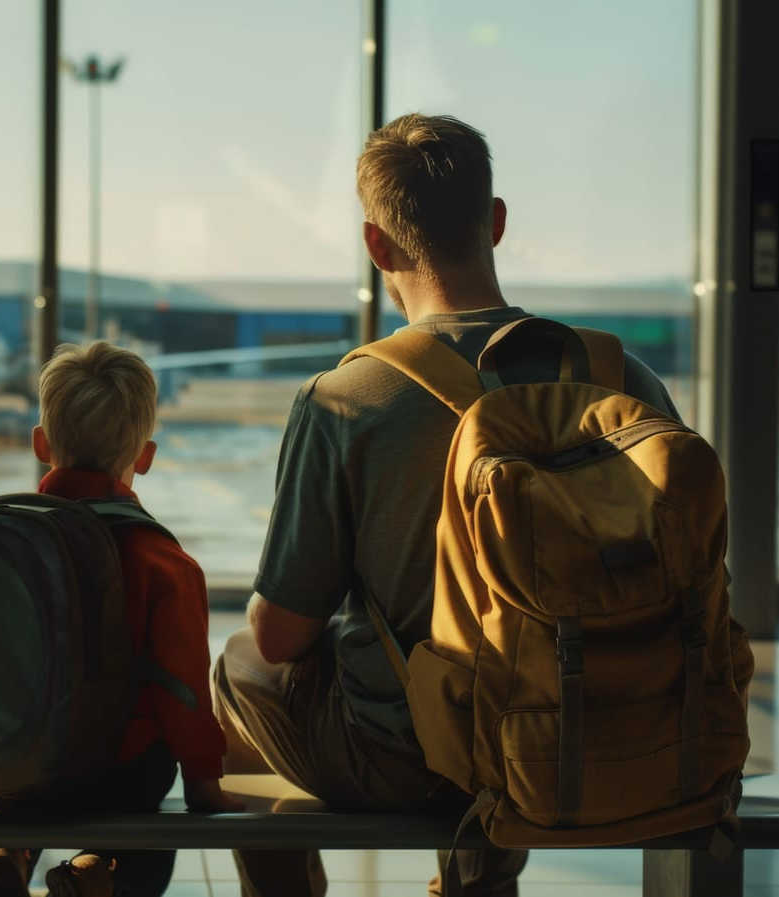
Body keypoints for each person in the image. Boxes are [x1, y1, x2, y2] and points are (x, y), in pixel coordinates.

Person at [212, 113, 683, 897]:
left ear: (377, 246)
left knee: (239, 664)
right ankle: (478, 884)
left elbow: (282, 633)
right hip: (617, 740)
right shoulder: (621, 376)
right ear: (495, 224)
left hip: (412, 764)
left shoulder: (345, 399)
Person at [0, 341, 242, 897]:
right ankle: (97, 872)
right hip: (118, 776)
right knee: (145, 841)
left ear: (41, 444)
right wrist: (205, 783)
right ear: (145, 456)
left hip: (6, 766)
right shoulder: (164, 562)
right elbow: (182, 691)